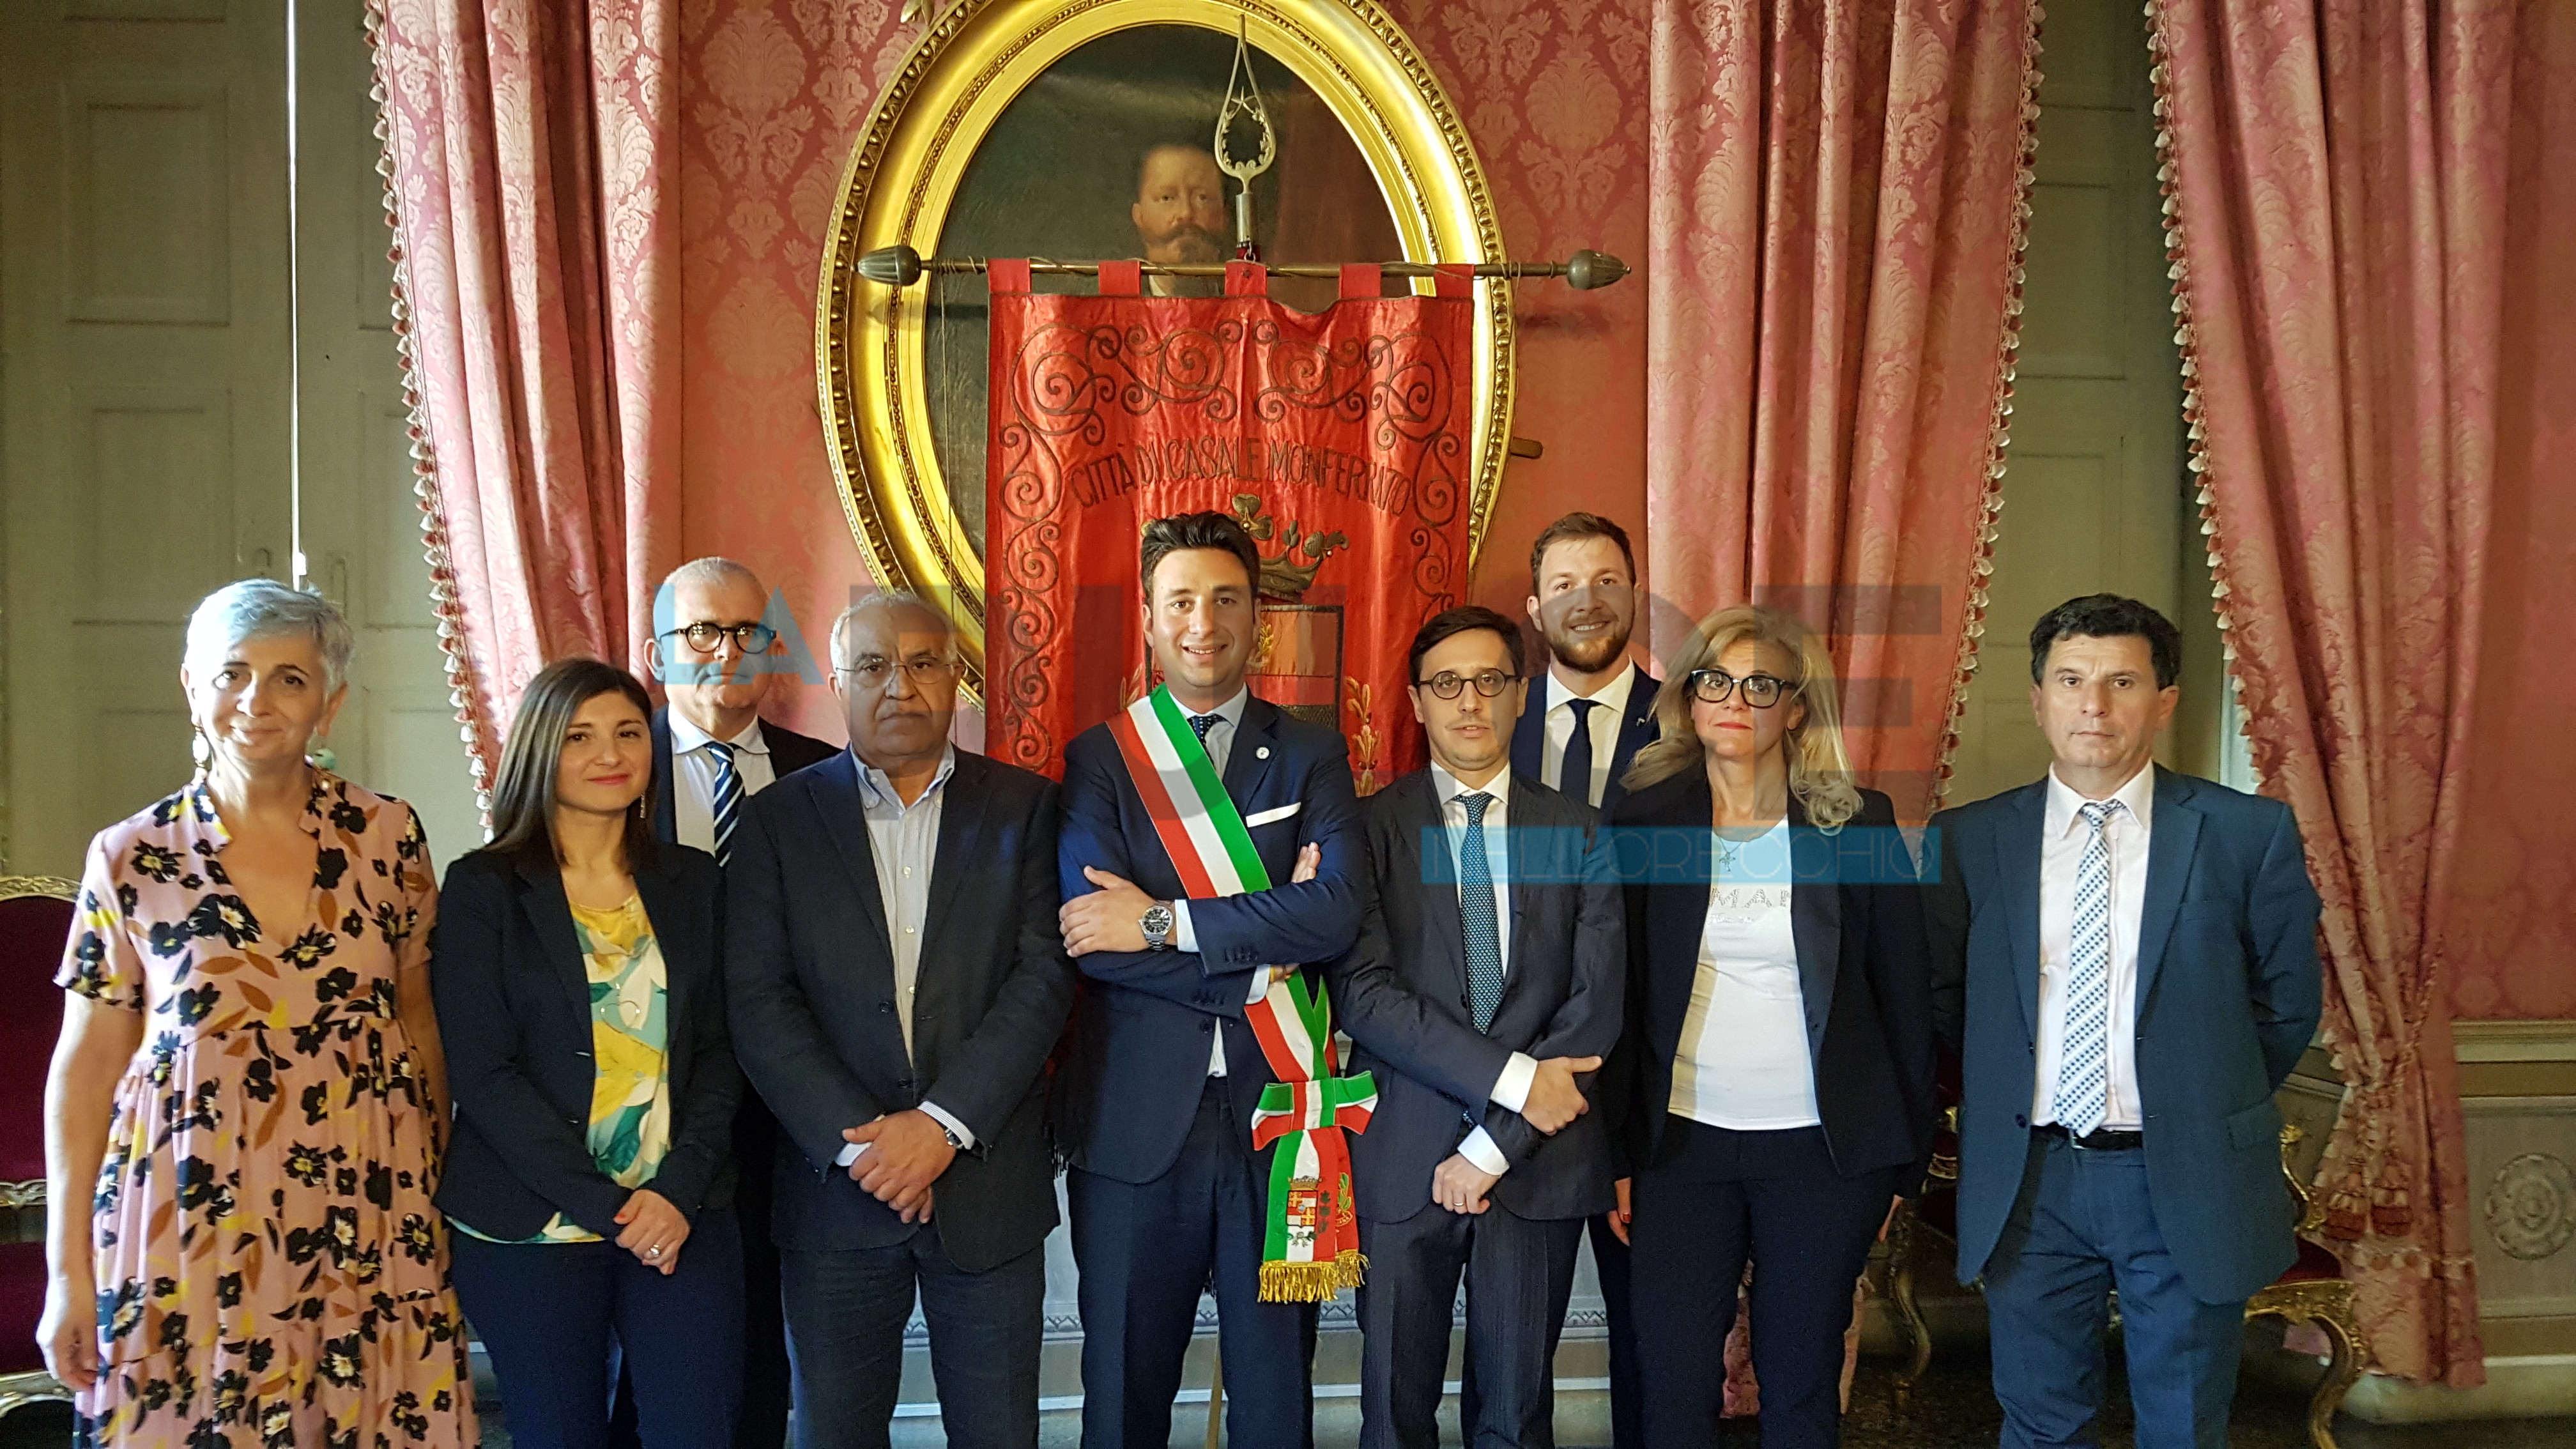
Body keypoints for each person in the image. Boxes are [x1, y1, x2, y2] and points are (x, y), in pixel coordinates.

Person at [38, 579, 475, 1446]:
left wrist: (431, 1194)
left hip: (364, 1211)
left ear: (330, 703)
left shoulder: (388, 836)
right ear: (191, 687)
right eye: (232, 674)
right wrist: (67, 1270)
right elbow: (84, 1073)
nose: (256, 701)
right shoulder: (131, 856)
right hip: (188, 1225)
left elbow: (418, 1025)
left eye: (290, 678)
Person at [1926, 595, 2322, 1449]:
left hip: (2184, 1171)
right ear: (2039, 699)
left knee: (2183, 1424)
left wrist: (2200, 1093)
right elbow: (1947, 998)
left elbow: (2287, 1003)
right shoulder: (1968, 841)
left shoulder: (2247, 834)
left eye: (2122, 682)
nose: (2094, 705)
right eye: (2071, 681)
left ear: (2165, 700)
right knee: (2039, 1421)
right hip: (2031, 1179)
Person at [725, 594, 1076, 1449]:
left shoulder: (1027, 808)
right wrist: (869, 1149)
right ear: (838, 682)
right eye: (874, 666)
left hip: (986, 1191)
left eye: (924, 664)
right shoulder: (775, 820)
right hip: (835, 1196)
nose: (900, 686)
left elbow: (1043, 978)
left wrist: (942, 1125)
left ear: (956, 679)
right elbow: (759, 999)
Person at [1055, 510, 1367, 1449]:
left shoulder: (1313, 752)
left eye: (1226, 599)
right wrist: (1267, 957)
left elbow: (1336, 913)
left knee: (1275, 1402)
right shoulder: (1101, 759)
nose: (1204, 622)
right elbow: (1095, 939)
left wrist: (1163, 919)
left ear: (1256, 618)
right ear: (1149, 619)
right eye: (1181, 600)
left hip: (1281, 1122)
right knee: (1123, 1396)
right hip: (1135, 1124)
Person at [1606, 605, 1936, 1449]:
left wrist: (1903, 1164)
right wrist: (1616, 1154)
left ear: (1795, 708)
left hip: (1824, 1152)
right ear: (1688, 699)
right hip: (1679, 1147)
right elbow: (1620, 1001)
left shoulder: (1858, 823)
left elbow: (1904, 993)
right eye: (1715, 681)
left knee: (1801, 1382)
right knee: (1673, 1382)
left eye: (1761, 685)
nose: (1734, 700)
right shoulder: (1642, 823)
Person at [1326, 606, 1625, 1449]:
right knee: (1393, 1413)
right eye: (1447, 683)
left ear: (1521, 694)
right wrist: (1514, 1083)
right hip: (1403, 1154)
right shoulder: (1370, 830)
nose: (1469, 701)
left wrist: (1495, 1145)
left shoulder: (1577, 831)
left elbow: (1594, 1008)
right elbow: (1365, 996)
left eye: (1490, 680)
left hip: (1537, 1166)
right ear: (1417, 702)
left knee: (1517, 1417)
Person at [433, 657, 744, 1449]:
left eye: (629, 733)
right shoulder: (483, 888)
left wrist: (672, 1193)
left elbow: (720, 1052)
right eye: (580, 736)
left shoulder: (695, 881)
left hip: (680, 1214)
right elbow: (484, 1073)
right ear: (541, 748)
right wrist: (608, 1208)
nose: (611, 754)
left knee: (695, 1432)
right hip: (533, 1225)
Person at [641, 553, 834, 1449]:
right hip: (653, 1108)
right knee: (650, 1360)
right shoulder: (610, 770)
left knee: (766, 1351)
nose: (728, 650)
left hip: (789, 1112)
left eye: (749, 631)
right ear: (658, 655)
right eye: (702, 632)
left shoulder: (826, 777)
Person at [1511, 509, 1660, 1447]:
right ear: (1535, 609)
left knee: (1653, 1338)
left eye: (1606, 580)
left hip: (1655, 1083)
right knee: (1514, 1338)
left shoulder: (1695, 720)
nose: (1587, 600)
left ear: (1635, 594)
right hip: (1521, 1075)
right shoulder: (1490, 715)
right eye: (1564, 585)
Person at [1133, 141, 1229, 296]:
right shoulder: (1108, 305)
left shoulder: (1250, 303)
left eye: (1202, 197)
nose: (1186, 213)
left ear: (1224, 215)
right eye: (1167, 198)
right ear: (1139, 216)